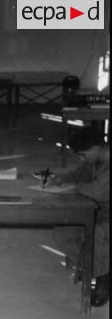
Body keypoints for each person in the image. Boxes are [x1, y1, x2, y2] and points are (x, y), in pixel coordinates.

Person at [49, 126, 109, 306]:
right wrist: (63, 178)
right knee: (63, 232)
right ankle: (91, 265)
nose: (81, 159)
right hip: (98, 210)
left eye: (83, 154)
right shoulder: (96, 160)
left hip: (106, 215)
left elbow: (97, 191)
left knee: (97, 235)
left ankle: (103, 278)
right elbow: (80, 173)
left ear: (96, 148)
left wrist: (73, 187)